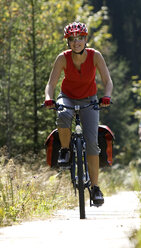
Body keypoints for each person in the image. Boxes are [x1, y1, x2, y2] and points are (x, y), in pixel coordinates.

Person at [44, 22, 113, 206]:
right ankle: (65, 150)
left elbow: (108, 81)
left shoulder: (95, 56)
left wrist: (106, 96)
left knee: (91, 143)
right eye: (72, 39)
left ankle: (96, 188)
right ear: (68, 42)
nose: (76, 42)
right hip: (67, 97)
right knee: (63, 115)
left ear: (86, 39)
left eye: (80, 38)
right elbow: (51, 84)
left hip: (89, 99)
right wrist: (49, 98)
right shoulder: (62, 58)